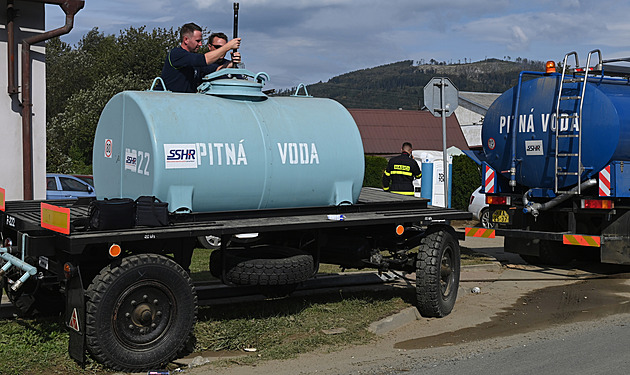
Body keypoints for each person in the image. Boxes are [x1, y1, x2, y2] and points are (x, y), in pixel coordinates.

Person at [161, 23, 241, 93]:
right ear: (186, 40)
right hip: (166, 101)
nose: (200, 44)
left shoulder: (194, 61)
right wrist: (228, 46)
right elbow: (205, 59)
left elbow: (217, 70)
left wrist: (231, 63)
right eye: (198, 41)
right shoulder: (177, 54)